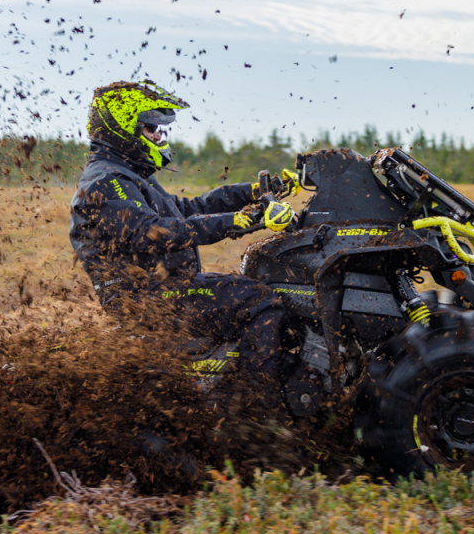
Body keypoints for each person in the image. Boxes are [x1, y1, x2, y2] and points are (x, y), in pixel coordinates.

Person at [69, 80, 301, 384]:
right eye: (151, 126)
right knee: (260, 301)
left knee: (267, 283)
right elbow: (151, 232)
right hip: (149, 299)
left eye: (160, 127)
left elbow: (188, 208)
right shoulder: (105, 181)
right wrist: (233, 222)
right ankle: (262, 411)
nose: (159, 134)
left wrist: (255, 192)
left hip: (166, 288)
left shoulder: (128, 175)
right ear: (122, 128)